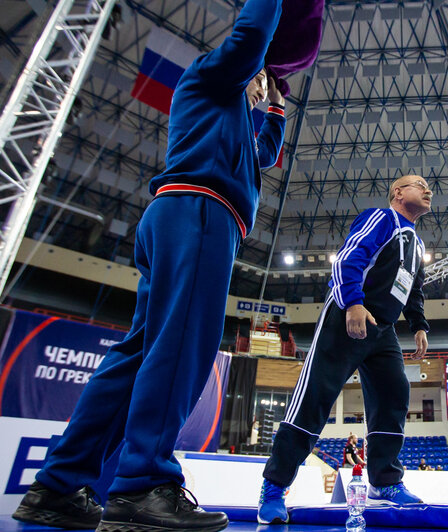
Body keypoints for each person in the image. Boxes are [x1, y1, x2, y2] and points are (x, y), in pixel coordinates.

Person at [10, 0, 325, 529]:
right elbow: (249, 38)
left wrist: (275, 99)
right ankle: (143, 485)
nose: (259, 81)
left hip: (179, 214)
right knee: (181, 348)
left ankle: (57, 485)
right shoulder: (208, 75)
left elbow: (267, 153)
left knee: (138, 355)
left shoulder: (236, 113)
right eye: (257, 76)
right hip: (201, 212)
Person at [257, 175, 433, 524]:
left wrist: (419, 325)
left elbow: (412, 290)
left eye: (429, 186)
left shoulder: (417, 244)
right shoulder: (382, 219)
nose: (428, 190)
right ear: (398, 193)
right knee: (315, 397)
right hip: (348, 315)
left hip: (383, 330)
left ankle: (385, 482)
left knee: (395, 392)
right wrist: (352, 303)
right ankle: (274, 488)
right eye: (418, 184)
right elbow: (347, 260)